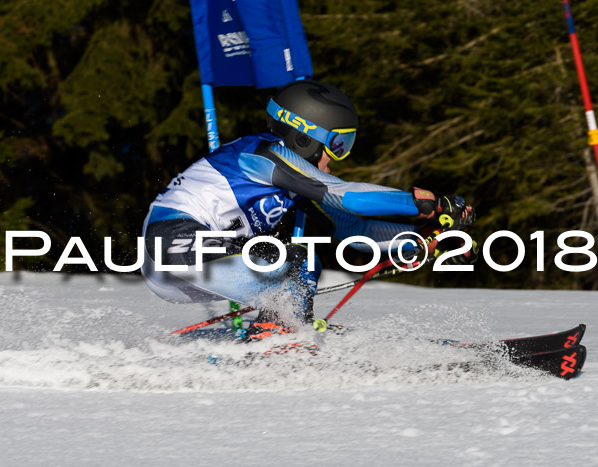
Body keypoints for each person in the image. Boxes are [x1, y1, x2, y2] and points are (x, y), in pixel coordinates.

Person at [141, 79, 476, 340]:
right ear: (305, 138)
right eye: (338, 144)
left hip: (187, 269)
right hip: (172, 247)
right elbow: (343, 195)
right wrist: (421, 205)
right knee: (294, 262)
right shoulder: (262, 156)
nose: (338, 156)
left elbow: (357, 232)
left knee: (298, 261)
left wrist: (426, 239)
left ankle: (275, 338)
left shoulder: (291, 179)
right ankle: (280, 341)